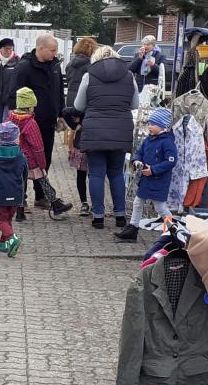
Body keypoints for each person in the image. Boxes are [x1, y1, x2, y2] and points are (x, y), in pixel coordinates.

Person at [74, 45, 139, 229]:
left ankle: (98, 217)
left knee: (96, 173)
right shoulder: (129, 76)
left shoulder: (89, 76)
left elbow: (79, 105)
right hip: (121, 130)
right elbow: (135, 104)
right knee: (117, 173)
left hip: (95, 129)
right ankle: (120, 215)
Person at [14, 32, 72, 215]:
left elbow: (58, 90)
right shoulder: (24, 67)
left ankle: (40, 196)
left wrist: (61, 112)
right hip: (28, 122)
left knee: (44, 158)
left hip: (48, 122)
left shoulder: (54, 66)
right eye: (52, 50)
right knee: (25, 161)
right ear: (40, 49)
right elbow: (15, 94)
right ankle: (20, 199)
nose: (55, 54)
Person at [115, 108, 177, 242]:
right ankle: (133, 228)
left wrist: (153, 170)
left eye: (153, 125)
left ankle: (173, 231)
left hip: (159, 180)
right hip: (146, 179)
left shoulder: (167, 142)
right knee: (138, 202)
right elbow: (139, 152)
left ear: (162, 126)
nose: (149, 127)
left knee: (160, 207)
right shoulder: (148, 140)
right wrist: (137, 160)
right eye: (149, 124)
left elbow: (171, 161)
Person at [9, 87, 66, 221]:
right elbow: (38, 147)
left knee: (20, 183)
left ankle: (20, 211)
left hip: (13, 157)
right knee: (43, 180)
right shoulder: (31, 123)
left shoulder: (10, 118)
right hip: (30, 159)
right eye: (33, 106)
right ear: (29, 107)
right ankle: (55, 204)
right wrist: (42, 164)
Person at [0, 121, 27, 258]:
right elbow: (25, 173)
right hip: (15, 192)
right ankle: (3, 243)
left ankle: (12, 239)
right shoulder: (20, 155)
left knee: (1, 220)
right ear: (16, 138)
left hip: (0, 193)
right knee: (7, 219)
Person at [65, 36, 97, 216]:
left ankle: (83, 202)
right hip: (85, 106)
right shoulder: (91, 67)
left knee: (75, 132)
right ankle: (92, 203)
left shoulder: (71, 65)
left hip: (71, 103)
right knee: (92, 168)